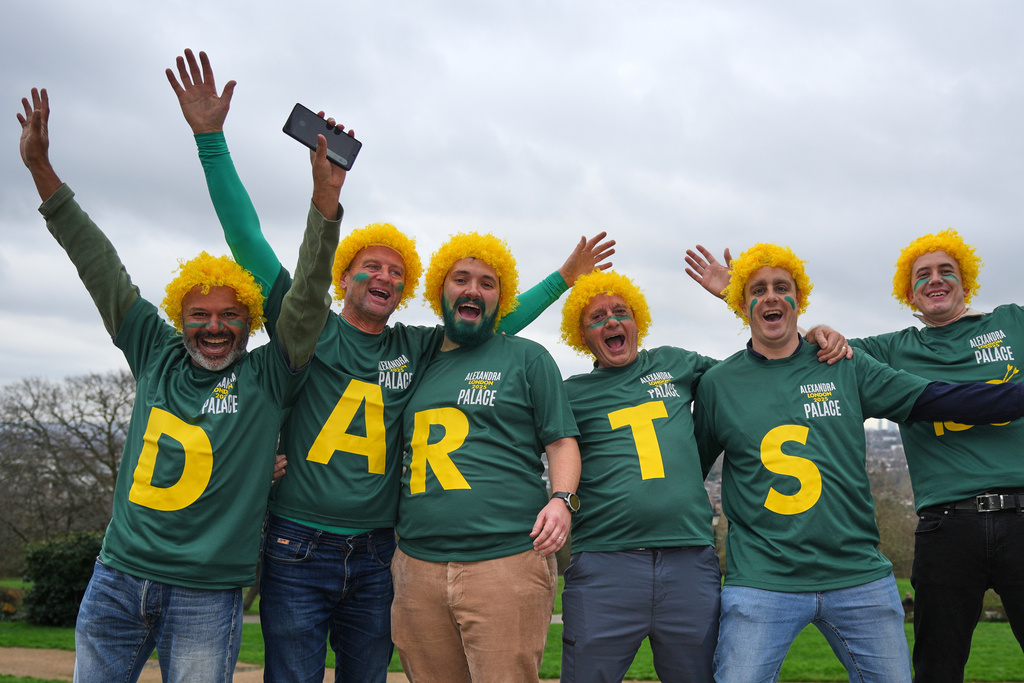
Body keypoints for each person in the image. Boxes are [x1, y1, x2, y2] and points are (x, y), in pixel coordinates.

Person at [166, 48, 613, 682]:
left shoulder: (417, 347)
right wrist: (211, 139)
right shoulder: (305, 323)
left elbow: (491, 325)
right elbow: (248, 241)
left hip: (382, 549)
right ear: (341, 275)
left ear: (406, 292)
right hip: (298, 539)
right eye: (369, 265)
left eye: (395, 270)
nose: (383, 274)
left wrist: (562, 280)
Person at [17, 87, 346, 682]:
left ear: (251, 321)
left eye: (230, 316)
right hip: (116, 578)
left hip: (207, 594)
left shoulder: (268, 374)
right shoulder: (153, 350)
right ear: (179, 319)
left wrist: (324, 203)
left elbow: (308, 298)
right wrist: (42, 169)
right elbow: (98, 262)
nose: (214, 327)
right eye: (199, 315)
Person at [687, 233, 1024, 680]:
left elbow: (941, 400)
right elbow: (689, 471)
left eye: (782, 287)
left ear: (800, 297)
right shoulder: (722, 382)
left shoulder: (843, 362)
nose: (771, 297)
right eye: (757, 290)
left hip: (858, 575)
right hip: (764, 580)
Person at [554, 270, 847, 683]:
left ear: (639, 321)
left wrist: (803, 328)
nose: (611, 322)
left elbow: (754, 370)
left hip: (690, 562)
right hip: (606, 562)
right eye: (597, 318)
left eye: (621, 312)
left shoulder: (675, 362)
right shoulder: (569, 392)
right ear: (581, 336)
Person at [390, 232, 582, 682]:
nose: (473, 290)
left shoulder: (527, 357)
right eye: (461, 279)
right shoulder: (414, 358)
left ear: (502, 298)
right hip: (416, 566)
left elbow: (561, 441)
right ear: (441, 288)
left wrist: (562, 498)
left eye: (487, 283)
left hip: (506, 561)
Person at [849, 229, 1024, 680]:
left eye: (947, 270)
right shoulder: (893, 349)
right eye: (922, 274)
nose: (935, 280)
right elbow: (809, 350)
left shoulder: (1013, 322)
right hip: (946, 527)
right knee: (936, 669)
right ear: (908, 292)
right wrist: (742, 295)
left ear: (966, 282)